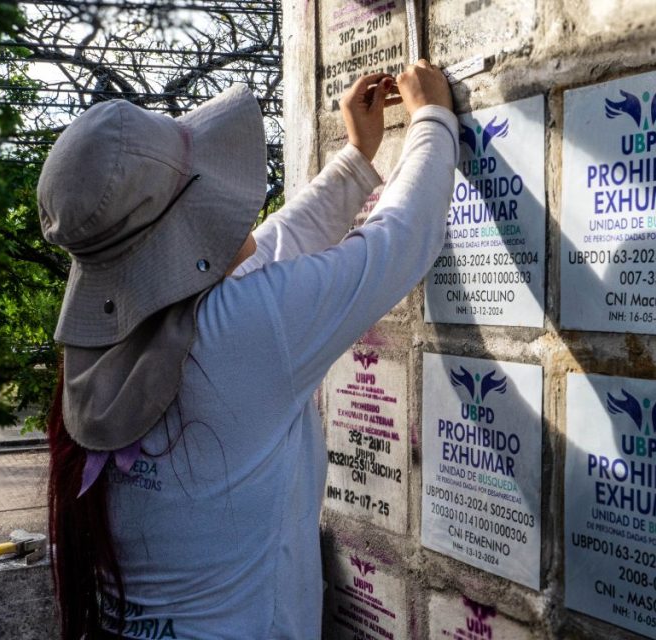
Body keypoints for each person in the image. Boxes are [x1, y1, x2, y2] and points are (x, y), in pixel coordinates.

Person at [41, 61, 456, 639]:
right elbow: (400, 240)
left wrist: (357, 160)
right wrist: (433, 119)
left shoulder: (104, 344)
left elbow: (266, 253)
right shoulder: (238, 332)